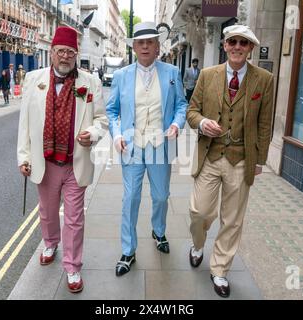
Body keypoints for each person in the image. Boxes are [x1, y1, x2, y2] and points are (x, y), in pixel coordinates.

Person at [17, 26, 108, 294]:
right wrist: (23, 156)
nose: (65, 56)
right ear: (52, 53)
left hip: (75, 162)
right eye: (60, 51)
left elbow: (102, 120)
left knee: (74, 218)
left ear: (76, 54)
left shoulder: (90, 83)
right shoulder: (34, 79)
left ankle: (72, 266)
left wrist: (92, 133)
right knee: (46, 211)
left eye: (70, 52)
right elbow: (24, 123)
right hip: (44, 162)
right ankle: (50, 242)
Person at [186, 25, 274, 298]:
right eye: (233, 41)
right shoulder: (207, 75)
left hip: (241, 158)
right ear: (224, 45)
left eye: (244, 43)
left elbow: (264, 123)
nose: (237, 46)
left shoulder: (265, 79)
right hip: (210, 155)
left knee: (233, 220)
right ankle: (198, 244)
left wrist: (259, 160)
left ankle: (220, 269)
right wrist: (202, 124)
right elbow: (192, 111)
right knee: (199, 212)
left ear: (250, 49)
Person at [106, 22, 188, 277]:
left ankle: (158, 230)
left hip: (160, 145)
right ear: (133, 46)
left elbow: (182, 105)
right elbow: (111, 111)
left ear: (157, 47)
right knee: (130, 199)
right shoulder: (121, 76)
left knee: (162, 196)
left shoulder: (172, 72)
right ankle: (128, 250)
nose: (144, 46)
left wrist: (176, 124)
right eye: (140, 42)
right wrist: (117, 134)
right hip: (132, 145)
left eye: (150, 42)